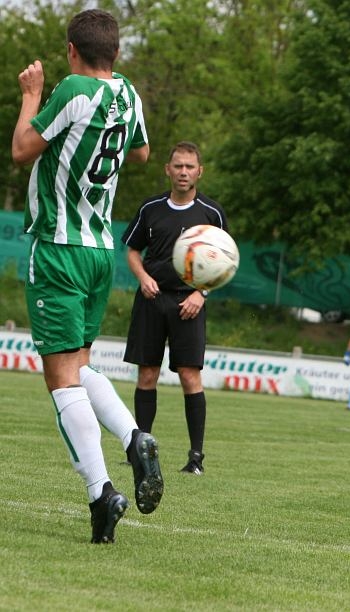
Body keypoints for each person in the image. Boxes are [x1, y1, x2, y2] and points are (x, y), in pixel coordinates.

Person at [12, 8, 162, 543]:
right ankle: (134, 438)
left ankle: (103, 493)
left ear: (72, 51)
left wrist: (32, 95)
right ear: (116, 53)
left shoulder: (73, 87)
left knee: (61, 380)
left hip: (58, 246)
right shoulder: (127, 94)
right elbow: (142, 151)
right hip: (101, 249)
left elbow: (22, 150)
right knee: (79, 364)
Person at [122, 141, 229, 476]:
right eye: (178, 166)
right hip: (152, 300)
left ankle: (195, 458)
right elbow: (132, 251)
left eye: (189, 167)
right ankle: (141, 451)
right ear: (167, 170)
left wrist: (202, 293)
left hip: (190, 303)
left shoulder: (211, 214)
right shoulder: (150, 208)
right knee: (148, 373)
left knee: (189, 375)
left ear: (200, 171)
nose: (183, 172)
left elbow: (225, 262)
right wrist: (142, 277)